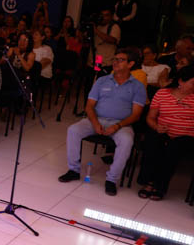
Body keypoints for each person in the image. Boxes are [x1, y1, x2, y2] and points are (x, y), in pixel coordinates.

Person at [58, 48, 146, 196]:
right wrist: (95, 123)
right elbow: (89, 106)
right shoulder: (102, 80)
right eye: (114, 59)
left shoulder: (137, 86)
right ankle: (73, 170)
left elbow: (136, 115)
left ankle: (111, 179)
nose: (115, 62)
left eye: (120, 60)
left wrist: (117, 126)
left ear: (131, 64)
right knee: (73, 130)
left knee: (127, 141)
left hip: (121, 124)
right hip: (96, 119)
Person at [136, 65, 194, 201]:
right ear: (181, 81)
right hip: (162, 130)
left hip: (187, 137)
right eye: (193, 83)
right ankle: (148, 181)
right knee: (153, 140)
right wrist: (156, 127)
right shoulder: (162, 94)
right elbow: (150, 118)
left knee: (174, 147)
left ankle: (160, 185)